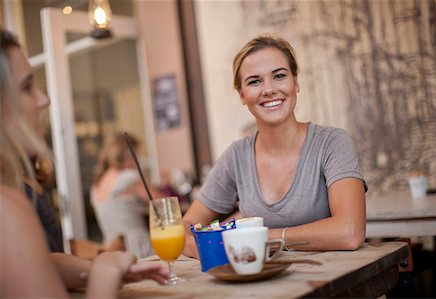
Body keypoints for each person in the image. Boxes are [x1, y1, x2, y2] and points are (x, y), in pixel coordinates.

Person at [0, 28, 169, 298]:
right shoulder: (7, 205)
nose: (44, 99)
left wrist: (93, 269)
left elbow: (44, 261)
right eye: (27, 87)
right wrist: (105, 273)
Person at [182, 34, 367, 258]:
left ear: (295, 82)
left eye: (279, 76)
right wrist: (214, 247)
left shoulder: (332, 143)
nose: (268, 89)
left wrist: (259, 238)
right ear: (242, 94)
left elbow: (350, 232)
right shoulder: (237, 156)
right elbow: (186, 228)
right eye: (254, 81)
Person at [91, 133, 164, 258]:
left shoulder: (97, 185)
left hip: (111, 251)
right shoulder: (128, 178)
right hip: (137, 249)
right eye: (137, 154)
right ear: (128, 156)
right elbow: (163, 204)